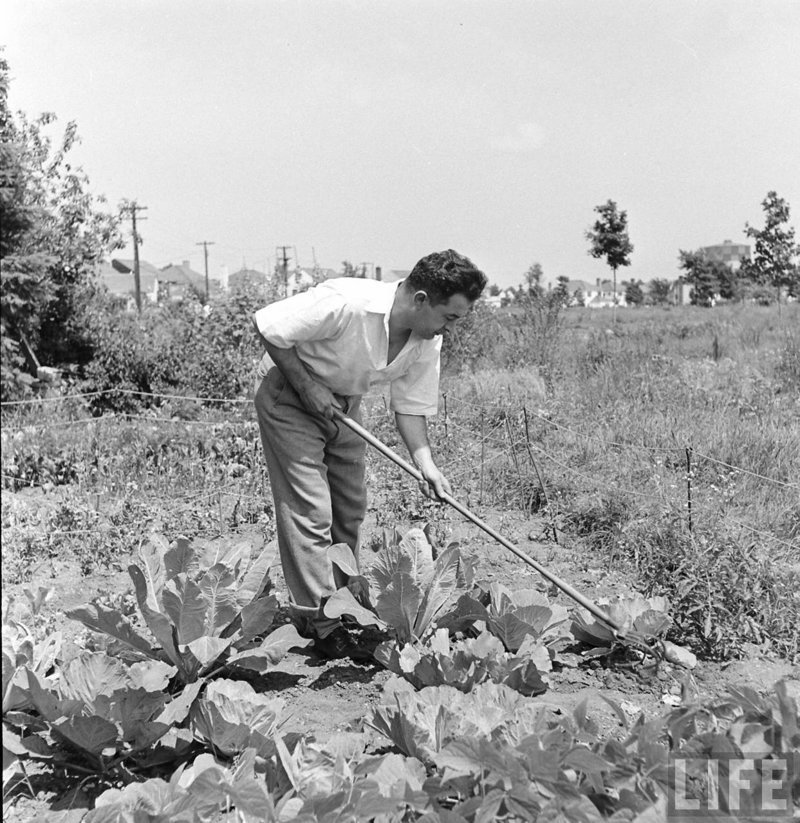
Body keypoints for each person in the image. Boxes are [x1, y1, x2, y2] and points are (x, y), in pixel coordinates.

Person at [252, 249, 487, 660]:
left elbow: (411, 406)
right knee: (311, 510)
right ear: (420, 300)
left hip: (343, 406)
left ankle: (345, 604)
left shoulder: (425, 339)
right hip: (291, 397)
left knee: (350, 507)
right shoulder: (348, 302)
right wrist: (307, 387)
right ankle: (319, 621)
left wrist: (425, 464)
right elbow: (269, 326)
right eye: (449, 316)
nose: (450, 328)